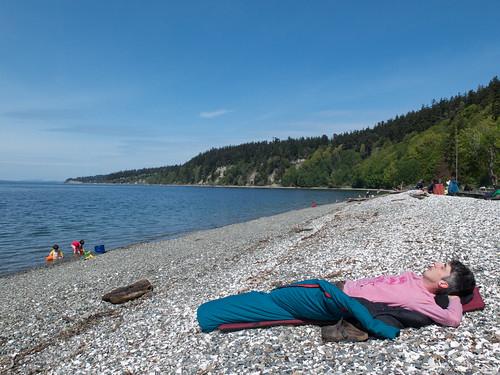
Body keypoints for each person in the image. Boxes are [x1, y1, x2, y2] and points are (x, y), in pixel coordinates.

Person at [197, 260, 475, 335]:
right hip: (339, 286)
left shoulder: (422, 300)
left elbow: (452, 319)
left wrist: (455, 296)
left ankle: (208, 315)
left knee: (274, 300)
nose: (437, 262)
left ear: (441, 283)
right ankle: (211, 314)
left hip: (333, 297)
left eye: (443, 268)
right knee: (272, 301)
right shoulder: (414, 278)